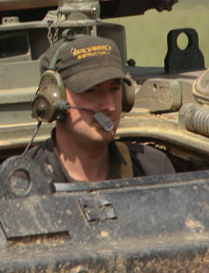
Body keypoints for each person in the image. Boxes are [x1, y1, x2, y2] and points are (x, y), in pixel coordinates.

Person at [25, 35, 175, 182]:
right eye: (90, 91)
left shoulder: (152, 169)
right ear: (55, 98)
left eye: (114, 89)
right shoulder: (25, 179)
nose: (109, 106)